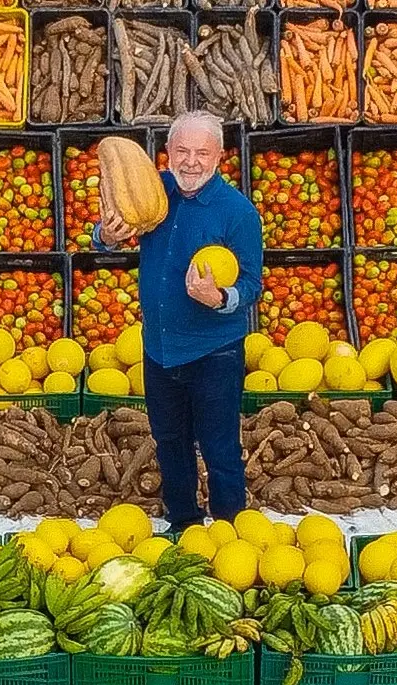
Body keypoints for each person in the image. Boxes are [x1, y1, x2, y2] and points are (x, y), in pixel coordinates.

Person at [93, 111, 262, 531]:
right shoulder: (155, 193)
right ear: (166, 153)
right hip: (160, 348)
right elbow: (107, 236)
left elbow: (253, 285)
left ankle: (228, 529)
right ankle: (183, 522)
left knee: (220, 446)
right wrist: (106, 237)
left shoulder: (238, 212)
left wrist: (219, 296)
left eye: (202, 152)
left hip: (215, 352)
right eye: (181, 150)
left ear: (220, 156)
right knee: (170, 443)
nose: (191, 161)